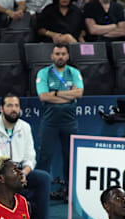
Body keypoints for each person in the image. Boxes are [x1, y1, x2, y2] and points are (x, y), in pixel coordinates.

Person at [0, 93, 54, 219]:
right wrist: (7, 173)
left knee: (43, 178)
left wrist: (24, 172)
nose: (14, 109)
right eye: (10, 105)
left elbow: (30, 156)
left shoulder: (25, 127)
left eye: (16, 106)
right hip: (0, 172)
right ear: (1, 109)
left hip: (20, 170)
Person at [36, 44, 83, 198]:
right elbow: (43, 96)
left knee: (70, 157)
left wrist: (54, 94)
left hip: (69, 122)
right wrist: (68, 95)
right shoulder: (44, 73)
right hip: (50, 121)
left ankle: (69, 192)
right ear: (52, 56)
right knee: (45, 157)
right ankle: (40, 192)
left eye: (63, 53)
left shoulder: (74, 72)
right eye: (57, 53)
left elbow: (79, 93)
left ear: (67, 56)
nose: (60, 56)